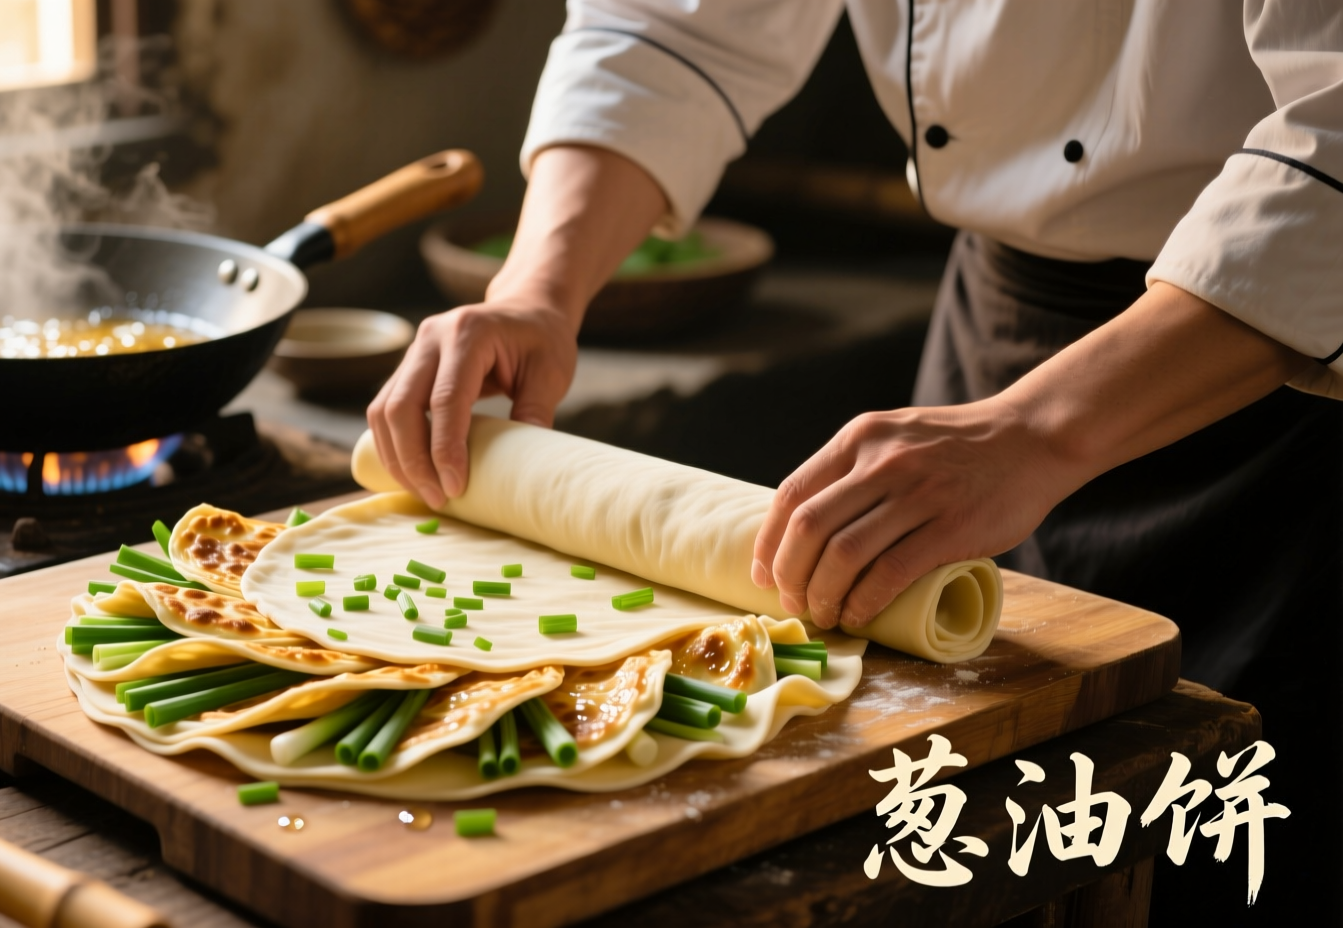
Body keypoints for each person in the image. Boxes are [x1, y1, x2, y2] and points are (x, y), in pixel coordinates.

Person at [369, 3, 1340, 923]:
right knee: (981, 837)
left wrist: (1037, 434)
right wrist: (538, 289)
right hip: (995, 340)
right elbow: (670, 26)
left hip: (1283, 387)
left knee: (1234, 864)